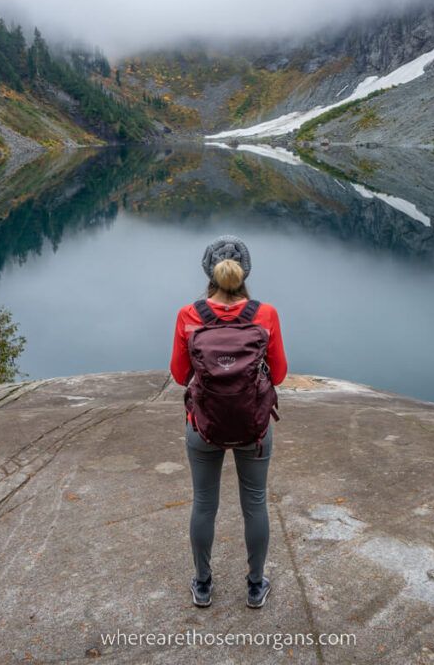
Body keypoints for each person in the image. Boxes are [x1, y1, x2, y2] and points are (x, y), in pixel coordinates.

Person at [169, 234, 288, 609]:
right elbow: (280, 375)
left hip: (203, 425)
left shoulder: (189, 316)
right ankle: (255, 586)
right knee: (255, 503)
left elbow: (178, 374)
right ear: (245, 272)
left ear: (209, 271)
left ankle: (203, 584)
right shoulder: (265, 315)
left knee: (204, 504)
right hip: (254, 427)